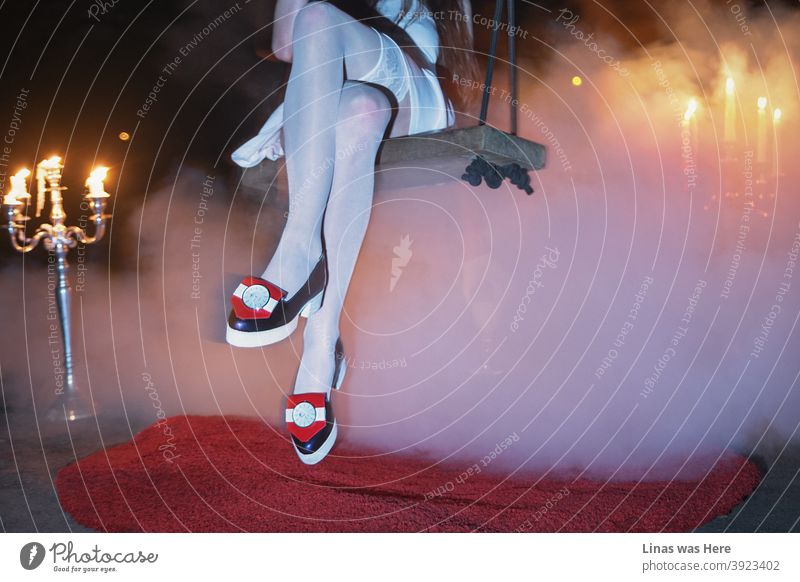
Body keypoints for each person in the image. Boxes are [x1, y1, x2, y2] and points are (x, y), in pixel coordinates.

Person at [229, 0, 477, 464]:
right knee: (359, 109)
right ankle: (321, 349)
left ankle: (297, 249)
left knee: (320, 18)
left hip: (418, 102)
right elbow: (286, 45)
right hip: (357, 101)